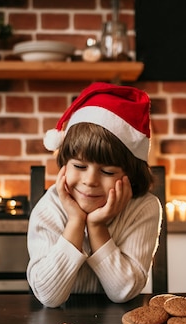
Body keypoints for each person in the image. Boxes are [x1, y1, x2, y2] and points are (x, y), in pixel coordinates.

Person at [26, 82, 163, 308]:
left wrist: (97, 227)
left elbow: (124, 292)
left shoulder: (144, 208)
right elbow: (48, 296)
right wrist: (76, 222)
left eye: (107, 171)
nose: (90, 180)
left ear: (131, 174)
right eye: (79, 166)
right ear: (64, 165)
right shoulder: (50, 206)